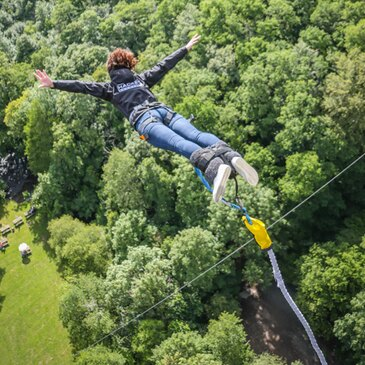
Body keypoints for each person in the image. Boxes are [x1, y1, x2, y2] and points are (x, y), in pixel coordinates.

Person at [34, 34, 258, 202]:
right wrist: (185, 48)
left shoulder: (110, 88)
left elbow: (82, 86)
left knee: (179, 144)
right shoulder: (141, 79)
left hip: (145, 121)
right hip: (164, 111)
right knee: (197, 135)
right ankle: (230, 156)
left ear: (111, 70)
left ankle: (215, 169)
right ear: (129, 65)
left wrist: (54, 84)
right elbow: (164, 65)